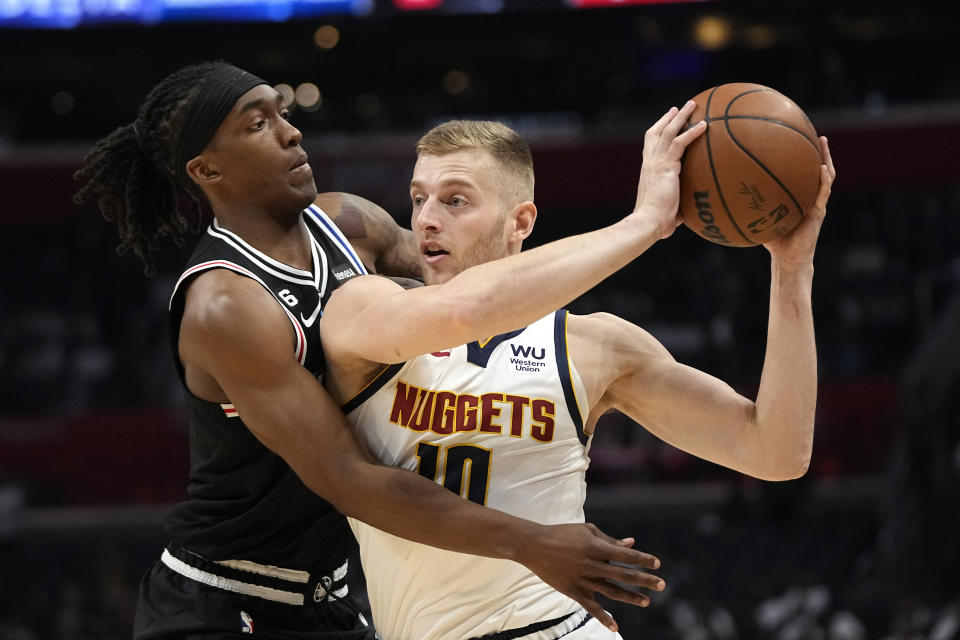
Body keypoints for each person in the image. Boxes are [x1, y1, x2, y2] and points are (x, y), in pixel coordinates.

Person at [72, 61, 693, 640]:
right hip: (223, 598)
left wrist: (518, 234)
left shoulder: (346, 223)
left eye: (282, 112)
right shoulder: (226, 306)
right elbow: (352, 478)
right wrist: (531, 542)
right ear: (208, 172)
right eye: (259, 125)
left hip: (332, 596)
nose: (291, 133)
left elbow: (471, 282)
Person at [317, 119, 836, 639]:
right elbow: (460, 312)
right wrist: (644, 223)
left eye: (455, 201)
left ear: (520, 223)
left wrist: (792, 271)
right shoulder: (365, 317)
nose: (427, 219)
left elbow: (776, 452)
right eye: (419, 198)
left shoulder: (593, 346)